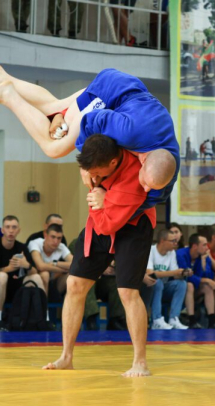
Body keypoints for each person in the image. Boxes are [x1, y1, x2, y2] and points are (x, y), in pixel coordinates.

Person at [0, 66, 179, 211]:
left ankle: (3, 77)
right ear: (144, 162)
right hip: (109, 92)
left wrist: (118, 204)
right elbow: (91, 120)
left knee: (53, 108)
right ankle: (7, 94)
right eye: (146, 182)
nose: (146, 187)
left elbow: (152, 197)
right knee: (55, 147)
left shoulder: (169, 162)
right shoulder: (130, 132)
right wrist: (87, 164)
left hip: (127, 89)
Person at [43, 134, 157, 377]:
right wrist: (90, 179)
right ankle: (66, 357)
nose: (93, 177)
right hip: (101, 219)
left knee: (127, 291)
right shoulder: (96, 157)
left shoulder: (137, 172)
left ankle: (140, 361)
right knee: (75, 284)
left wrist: (107, 199)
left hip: (134, 224)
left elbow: (110, 223)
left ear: (113, 163)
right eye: (90, 171)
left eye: (96, 172)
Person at [0, 215, 43, 331]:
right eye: (7, 227)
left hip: (16, 287)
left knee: (36, 277)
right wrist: (8, 268)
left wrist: (26, 265)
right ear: (2, 230)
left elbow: (35, 271)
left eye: (14, 227)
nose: (11, 230)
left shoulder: (22, 247)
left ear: (18, 230)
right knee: (2, 276)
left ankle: (43, 319)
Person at [176, 234, 215, 329]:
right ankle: (192, 321)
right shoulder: (180, 254)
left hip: (196, 290)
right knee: (190, 285)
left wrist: (203, 264)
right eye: (204, 245)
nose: (207, 247)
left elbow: (210, 276)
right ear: (195, 246)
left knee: (208, 287)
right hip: (181, 290)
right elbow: (185, 276)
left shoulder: (204, 256)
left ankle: (212, 321)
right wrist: (204, 280)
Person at [146, 229, 188, 330]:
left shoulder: (172, 253)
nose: (175, 243)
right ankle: (156, 320)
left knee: (181, 284)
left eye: (175, 241)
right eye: (172, 241)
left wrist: (183, 273)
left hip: (163, 288)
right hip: (148, 289)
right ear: (162, 241)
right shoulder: (150, 250)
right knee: (157, 282)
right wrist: (173, 273)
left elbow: (175, 275)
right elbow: (150, 274)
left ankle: (174, 318)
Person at [29, 224, 72, 300]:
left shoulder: (61, 247)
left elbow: (74, 264)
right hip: (35, 280)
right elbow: (40, 266)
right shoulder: (35, 243)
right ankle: (43, 306)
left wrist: (55, 263)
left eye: (59, 238)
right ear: (45, 235)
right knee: (45, 274)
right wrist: (64, 270)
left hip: (54, 282)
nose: (56, 241)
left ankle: (68, 306)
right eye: (53, 237)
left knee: (72, 275)